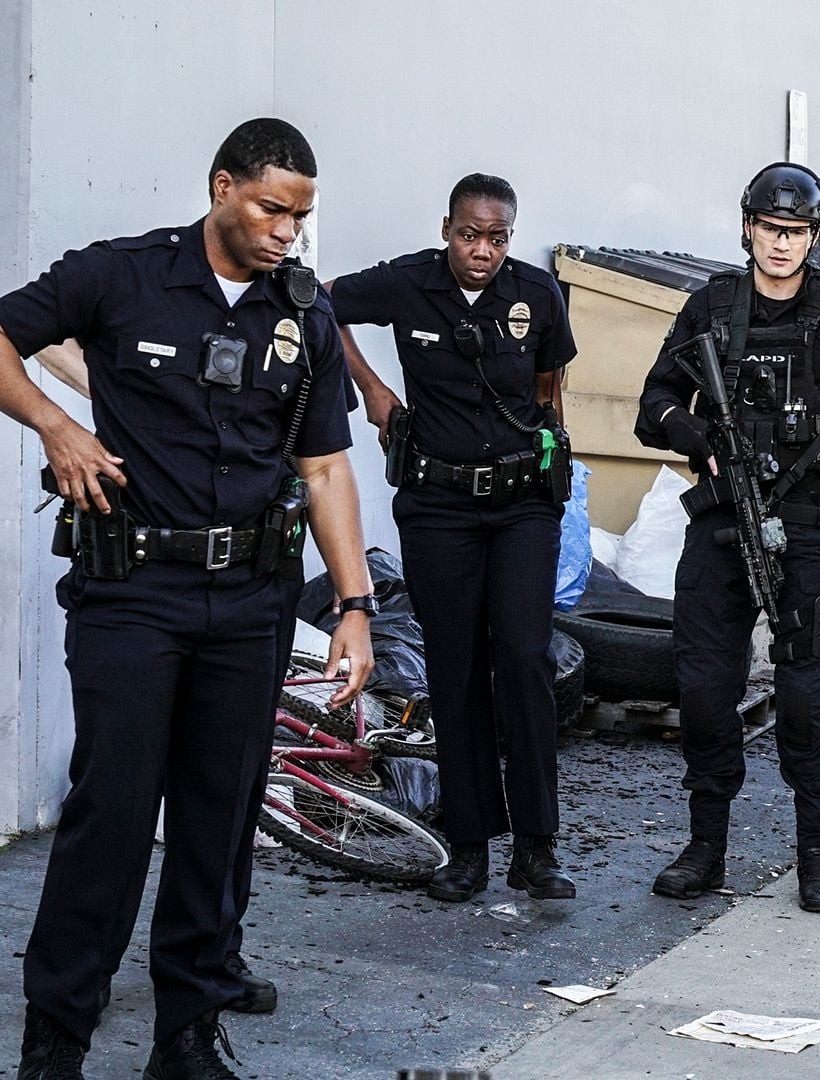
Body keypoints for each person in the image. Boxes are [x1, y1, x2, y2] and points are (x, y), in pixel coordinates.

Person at [0, 117, 374, 1080]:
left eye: (300, 217)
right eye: (272, 209)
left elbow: (325, 468)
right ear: (222, 188)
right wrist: (53, 425)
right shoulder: (121, 275)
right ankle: (57, 1036)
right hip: (133, 593)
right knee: (113, 812)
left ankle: (188, 1035)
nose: (287, 232)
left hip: (250, 600)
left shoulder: (303, 316)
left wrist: (354, 606)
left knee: (219, 817)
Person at [634, 162, 820, 914]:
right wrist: (696, 435)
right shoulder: (712, 306)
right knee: (703, 689)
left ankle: (816, 854)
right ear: (748, 228)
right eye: (769, 228)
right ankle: (705, 845)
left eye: (796, 231)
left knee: (806, 696)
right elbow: (653, 402)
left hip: (809, 525)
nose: (781, 243)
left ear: (813, 236)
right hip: (722, 519)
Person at [328, 173, 579, 903]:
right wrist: (372, 389)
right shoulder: (408, 283)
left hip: (521, 506)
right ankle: (468, 848)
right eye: (470, 235)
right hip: (438, 506)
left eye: (497, 238)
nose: (483, 251)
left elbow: (548, 388)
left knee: (525, 659)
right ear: (447, 231)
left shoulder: (537, 293)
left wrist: (550, 465)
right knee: (455, 666)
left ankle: (536, 847)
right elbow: (318, 300)